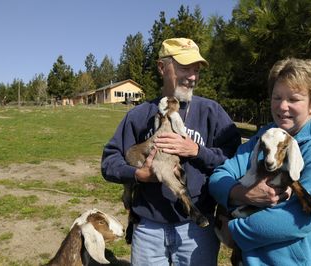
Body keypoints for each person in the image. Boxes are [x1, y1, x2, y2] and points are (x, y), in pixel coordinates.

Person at [101, 37, 242, 265]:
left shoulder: (211, 112)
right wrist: (138, 175)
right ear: (161, 67)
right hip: (148, 230)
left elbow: (236, 158)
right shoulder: (139, 115)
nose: (192, 77)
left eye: (196, 70)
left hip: (197, 231)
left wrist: (197, 150)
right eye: (184, 68)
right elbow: (109, 162)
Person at [209, 57, 311, 265]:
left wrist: (235, 232)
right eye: (276, 97)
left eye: (293, 99)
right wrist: (241, 193)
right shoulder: (264, 138)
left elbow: (299, 219)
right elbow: (218, 178)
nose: (282, 106)